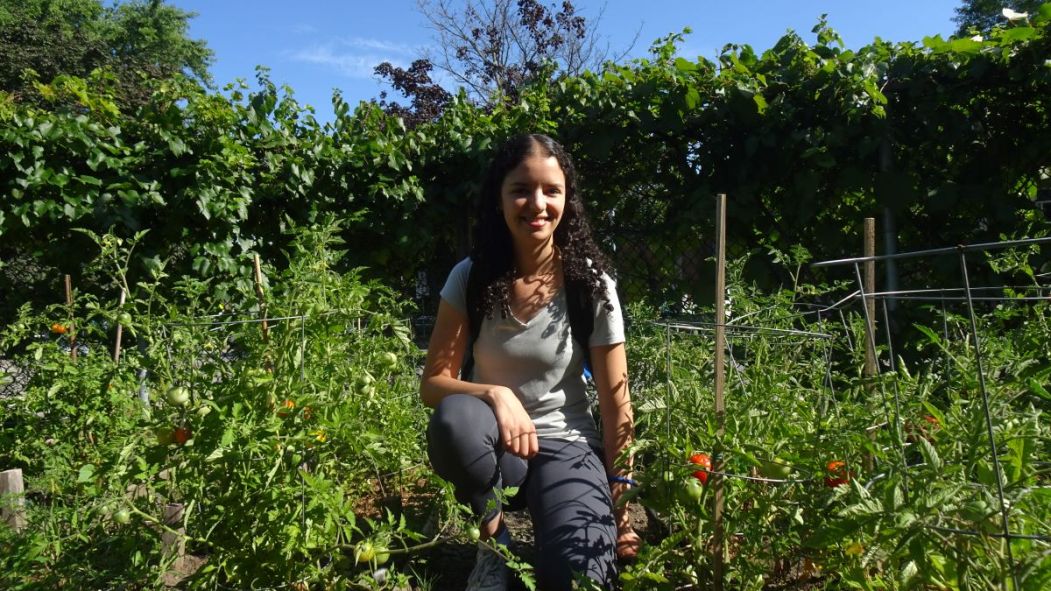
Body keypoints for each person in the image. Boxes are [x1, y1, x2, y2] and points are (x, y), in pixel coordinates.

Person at [421, 133, 640, 591]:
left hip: (569, 447)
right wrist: (494, 394)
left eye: (551, 190)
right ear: (499, 200)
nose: (536, 203)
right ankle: (494, 544)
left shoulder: (591, 286)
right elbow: (434, 383)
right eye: (521, 189)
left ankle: (559, 540)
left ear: (567, 200)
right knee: (454, 421)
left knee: (581, 580)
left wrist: (620, 514)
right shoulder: (471, 277)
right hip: (494, 448)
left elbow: (617, 405)